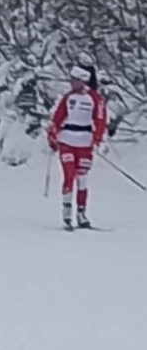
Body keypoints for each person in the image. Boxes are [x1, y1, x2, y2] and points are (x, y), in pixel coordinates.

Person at [47, 65, 106, 229]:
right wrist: (52, 136)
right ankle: (67, 212)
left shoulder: (95, 98)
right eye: (71, 79)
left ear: (83, 80)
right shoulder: (67, 98)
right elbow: (57, 118)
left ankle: (81, 212)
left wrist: (97, 138)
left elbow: (100, 120)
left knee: (82, 178)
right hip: (67, 141)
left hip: (84, 143)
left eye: (75, 80)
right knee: (69, 174)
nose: (72, 83)